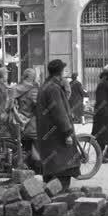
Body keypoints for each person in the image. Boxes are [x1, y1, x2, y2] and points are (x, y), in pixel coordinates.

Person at [36, 59, 81, 188]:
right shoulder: (53, 88)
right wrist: (67, 132)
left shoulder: (45, 86)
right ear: (60, 72)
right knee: (62, 168)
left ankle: (50, 200)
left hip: (47, 134)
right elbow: (59, 112)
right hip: (56, 136)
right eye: (64, 70)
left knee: (50, 172)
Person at [11, 68, 40, 171]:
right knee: (38, 142)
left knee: (26, 146)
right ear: (33, 77)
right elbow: (37, 105)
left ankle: (28, 166)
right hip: (31, 123)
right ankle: (35, 167)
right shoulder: (33, 89)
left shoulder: (16, 88)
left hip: (18, 122)